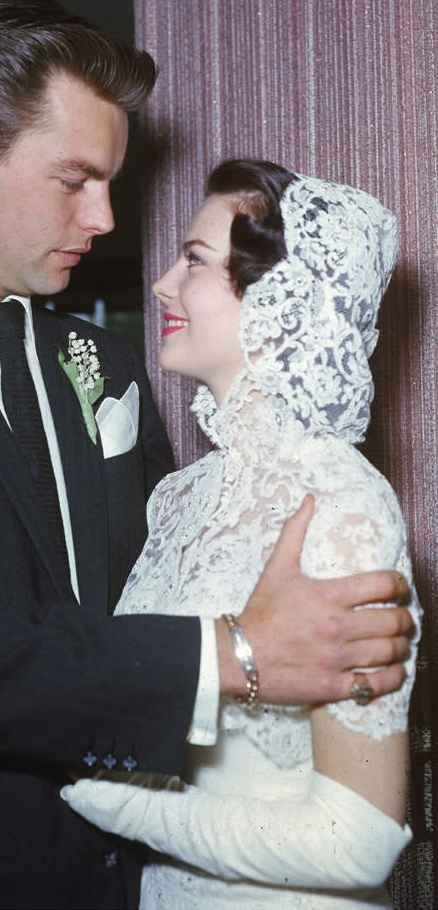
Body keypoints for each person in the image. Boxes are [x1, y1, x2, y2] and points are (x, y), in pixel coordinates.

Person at [0, 0, 412, 910]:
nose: (106, 221)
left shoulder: (108, 365)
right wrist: (235, 656)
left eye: (111, 183)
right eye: (73, 179)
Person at [63, 159, 422, 909]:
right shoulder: (177, 496)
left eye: (193, 259)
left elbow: (356, 840)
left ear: (279, 297)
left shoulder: (342, 503)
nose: (162, 283)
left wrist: (112, 803)